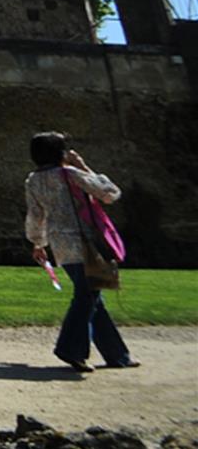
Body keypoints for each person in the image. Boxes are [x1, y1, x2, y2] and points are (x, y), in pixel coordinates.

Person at [24, 132, 138, 372]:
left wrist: (38, 243)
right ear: (60, 152)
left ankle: (117, 355)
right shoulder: (70, 174)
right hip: (84, 242)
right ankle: (70, 349)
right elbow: (110, 193)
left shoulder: (33, 181)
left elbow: (36, 215)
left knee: (93, 296)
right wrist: (83, 166)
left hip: (60, 245)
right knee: (87, 296)